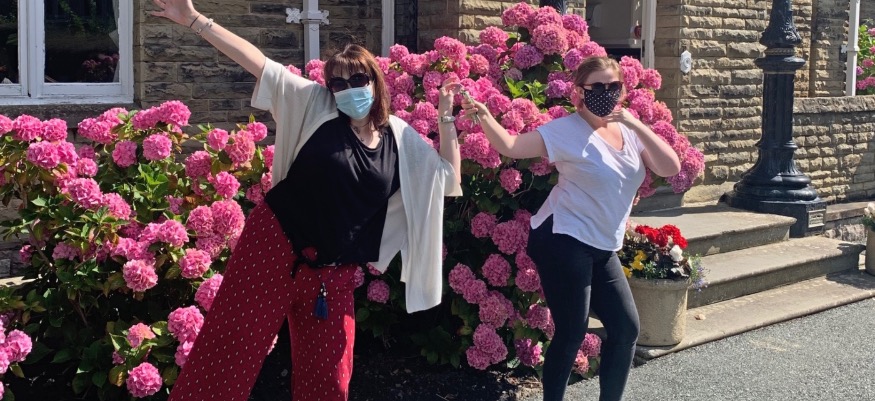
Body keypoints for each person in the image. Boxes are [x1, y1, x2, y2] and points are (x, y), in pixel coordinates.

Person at [151, 1, 463, 401]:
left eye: (358, 79)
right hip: (274, 245)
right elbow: (259, 63)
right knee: (229, 356)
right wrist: (195, 20)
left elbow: (447, 177)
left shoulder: (399, 138)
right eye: (339, 84)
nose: (349, 90)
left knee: (330, 379)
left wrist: (445, 116)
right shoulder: (315, 104)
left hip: (333, 270)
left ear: (375, 82)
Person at [460, 56, 681, 401]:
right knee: (572, 331)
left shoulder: (628, 129)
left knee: (626, 329)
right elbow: (512, 146)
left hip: (603, 243)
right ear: (579, 91)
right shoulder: (565, 130)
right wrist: (484, 115)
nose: (606, 93)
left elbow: (670, 167)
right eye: (597, 87)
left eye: (614, 86)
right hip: (563, 237)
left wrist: (637, 125)